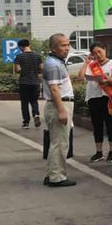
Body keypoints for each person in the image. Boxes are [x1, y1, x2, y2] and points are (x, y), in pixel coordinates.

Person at [42, 33, 77, 188]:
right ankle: (57, 177)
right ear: (53, 48)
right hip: (59, 105)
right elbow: (55, 89)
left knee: (56, 142)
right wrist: (62, 110)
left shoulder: (56, 62)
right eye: (63, 45)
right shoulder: (54, 64)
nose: (67, 48)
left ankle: (51, 174)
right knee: (60, 143)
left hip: (60, 104)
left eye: (68, 45)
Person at [77, 42, 112, 162]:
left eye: (99, 51)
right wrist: (86, 62)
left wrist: (109, 80)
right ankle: (99, 152)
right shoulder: (91, 65)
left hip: (108, 98)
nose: (98, 55)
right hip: (93, 98)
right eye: (94, 53)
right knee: (97, 125)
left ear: (105, 49)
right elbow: (80, 77)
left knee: (110, 125)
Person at [14, 38, 42, 129]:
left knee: (24, 103)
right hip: (35, 82)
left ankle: (26, 122)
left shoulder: (19, 56)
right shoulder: (37, 56)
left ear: (21, 47)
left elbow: (18, 69)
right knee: (34, 100)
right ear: (29, 45)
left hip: (24, 82)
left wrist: (23, 69)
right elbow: (41, 68)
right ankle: (36, 114)